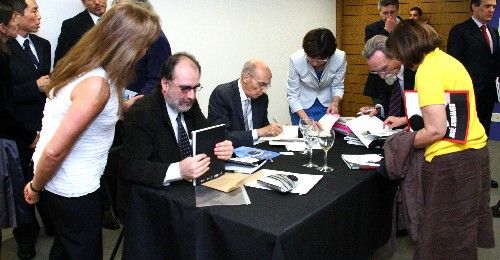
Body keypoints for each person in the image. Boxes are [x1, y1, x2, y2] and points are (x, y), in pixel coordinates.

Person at [23, 4, 160, 259]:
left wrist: (125, 106)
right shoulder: (96, 85)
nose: (145, 52)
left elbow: (86, 114)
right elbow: (55, 151)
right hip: (71, 186)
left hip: (67, 181)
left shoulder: (84, 64)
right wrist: (35, 187)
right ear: (125, 45)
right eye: (144, 45)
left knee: (65, 248)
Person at [386, 19, 494, 259]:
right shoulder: (447, 61)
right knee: (462, 233)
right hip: (475, 152)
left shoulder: (427, 70)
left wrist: (402, 143)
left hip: (451, 163)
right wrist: (406, 121)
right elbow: (451, 110)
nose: (401, 61)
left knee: (440, 238)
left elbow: (436, 130)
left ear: (406, 48)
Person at [120, 52, 234, 189]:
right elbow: (132, 167)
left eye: (195, 88)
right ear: (165, 84)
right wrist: (178, 171)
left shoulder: (188, 103)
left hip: (189, 188)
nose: (191, 96)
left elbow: (207, 135)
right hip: (155, 195)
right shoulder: (142, 112)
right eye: (185, 88)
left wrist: (223, 147)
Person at [6, 0, 52, 258]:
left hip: (44, 126)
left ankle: (51, 223)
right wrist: (33, 88)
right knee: (22, 185)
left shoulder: (43, 45)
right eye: (33, 11)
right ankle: (25, 241)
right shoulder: (4, 49)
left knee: (45, 176)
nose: (38, 16)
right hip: (18, 130)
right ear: (16, 16)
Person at [447, 0, 499, 136]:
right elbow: (454, 65)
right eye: (487, 6)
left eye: (494, 6)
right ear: (474, 6)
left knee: (484, 132)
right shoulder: (459, 31)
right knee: (467, 133)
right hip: (468, 93)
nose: (492, 10)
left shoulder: (493, 32)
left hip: (489, 93)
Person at [208, 59, 282, 147]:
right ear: (246, 78)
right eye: (261, 84)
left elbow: (264, 127)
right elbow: (221, 136)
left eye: (267, 85)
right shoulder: (222, 94)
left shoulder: (262, 98)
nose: (264, 90)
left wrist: (273, 130)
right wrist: (258, 132)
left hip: (258, 150)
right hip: (232, 153)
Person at [287, 28, 346, 125]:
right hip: (301, 106)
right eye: (311, 58)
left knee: (325, 135)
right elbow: (292, 95)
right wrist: (307, 121)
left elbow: (338, 86)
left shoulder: (339, 57)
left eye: (320, 60)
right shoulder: (296, 60)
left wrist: (335, 102)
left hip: (326, 105)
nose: (314, 63)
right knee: (303, 136)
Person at [112, 0, 171, 95]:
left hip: (141, 104)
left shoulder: (156, 39)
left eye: (118, 4)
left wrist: (136, 103)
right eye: (115, 2)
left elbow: (157, 80)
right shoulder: (126, 34)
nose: (114, 8)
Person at [359, 35, 414, 122]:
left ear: (395, 55)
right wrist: (377, 110)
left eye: (384, 68)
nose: (382, 76)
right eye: (376, 72)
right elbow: (388, 101)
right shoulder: (385, 73)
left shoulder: (415, 71)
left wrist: (404, 121)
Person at [54, 0, 106, 65]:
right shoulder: (71, 26)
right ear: (83, 2)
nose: (97, 2)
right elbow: (60, 62)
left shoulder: (118, 19)